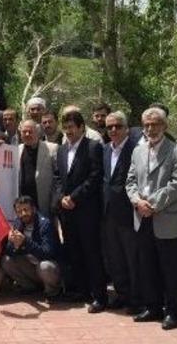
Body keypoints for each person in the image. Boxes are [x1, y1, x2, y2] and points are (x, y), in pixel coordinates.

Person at [125, 107, 177, 330]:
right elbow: (130, 181)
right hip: (142, 217)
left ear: (165, 126)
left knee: (170, 269)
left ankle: (174, 312)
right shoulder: (138, 151)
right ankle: (153, 307)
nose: (151, 129)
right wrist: (137, 202)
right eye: (147, 125)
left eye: (155, 124)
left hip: (167, 218)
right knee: (147, 266)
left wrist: (150, 204)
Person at [52, 109, 107, 312]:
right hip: (67, 211)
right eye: (65, 128)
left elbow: (95, 177)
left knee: (92, 253)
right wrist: (61, 198)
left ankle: (99, 296)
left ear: (81, 127)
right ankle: (82, 291)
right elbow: (58, 177)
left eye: (72, 127)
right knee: (74, 252)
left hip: (87, 210)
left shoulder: (93, 147)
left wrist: (74, 197)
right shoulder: (61, 150)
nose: (68, 131)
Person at [101, 111, 140, 314]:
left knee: (132, 259)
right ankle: (122, 294)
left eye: (118, 126)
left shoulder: (136, 150)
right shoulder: (105, 150)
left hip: (129, 213)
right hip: (108, 214)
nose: (113, 130)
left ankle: (136, 299)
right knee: (115, 258)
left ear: (127, 128)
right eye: (110, 127)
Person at [1, 196, 62, 299]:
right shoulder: (18, 223)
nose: (23, 214)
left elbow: (48, 253)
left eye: (26, 209)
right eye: (19, 211)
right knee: (6, 261)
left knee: (44, 266)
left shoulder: (45, 224)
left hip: (48, 267)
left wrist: (25, 242)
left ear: (33, 209)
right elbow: (10, 252)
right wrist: (13, 243)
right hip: (31, 266)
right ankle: (30, 287)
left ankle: (52, 292)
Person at [17, 119, 58, 217]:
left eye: (30, 131)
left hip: (44, 204)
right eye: (24, 132)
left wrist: (55, 200)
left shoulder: (52, 149)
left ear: (38, 133)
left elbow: (58, 178)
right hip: (23, 206)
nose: (27, 134)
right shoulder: (16, 150)